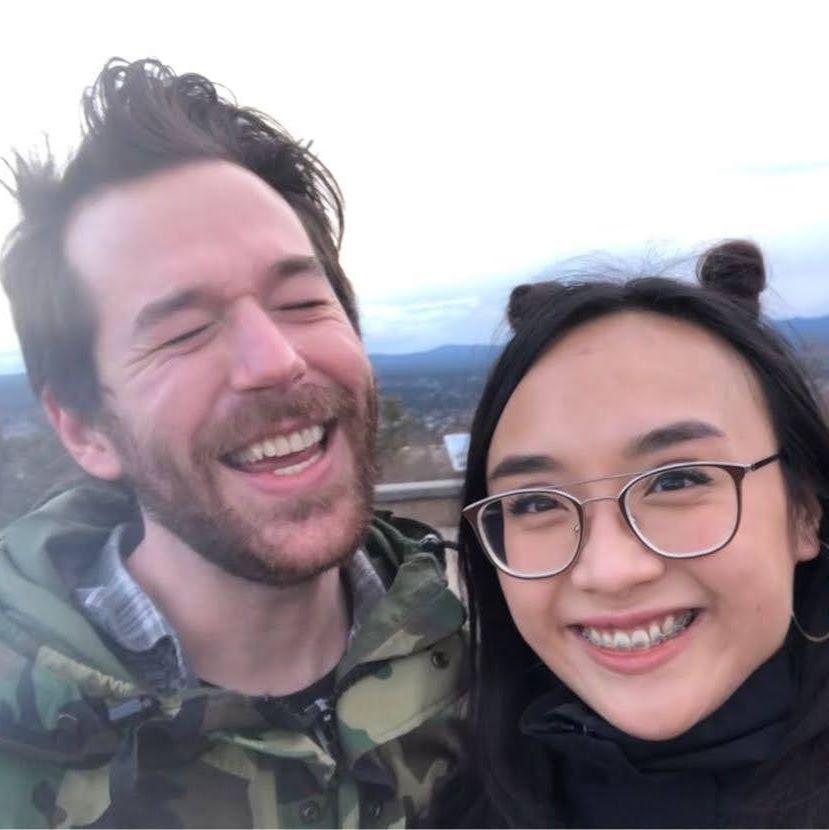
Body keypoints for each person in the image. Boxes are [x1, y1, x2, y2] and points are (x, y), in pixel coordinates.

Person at [0, 58, 466, 828]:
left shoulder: (495, 677)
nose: (275, 360)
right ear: (84, 428)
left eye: (302, 301)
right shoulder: (25, 757)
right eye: (183, 332)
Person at [452, 241, 829, 827]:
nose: (609, 571)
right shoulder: (461, 800)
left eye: (676, 480)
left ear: (803, 511)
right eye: (535, 502)